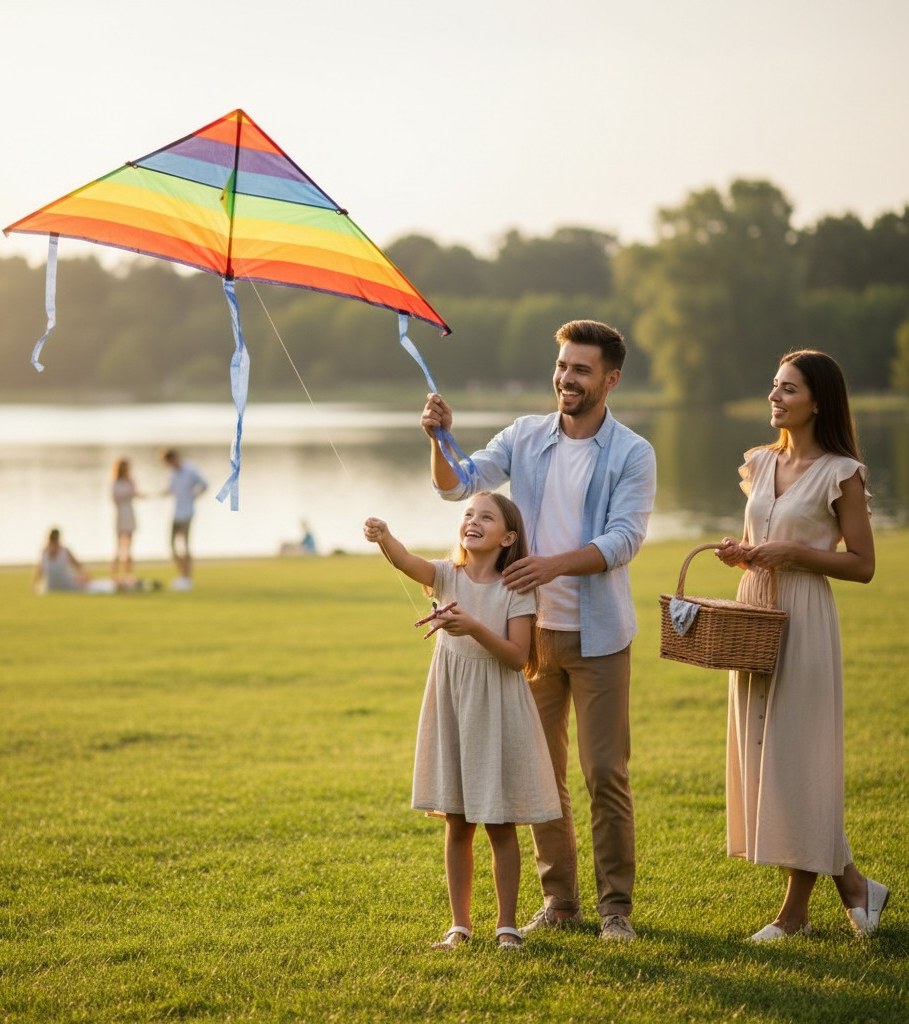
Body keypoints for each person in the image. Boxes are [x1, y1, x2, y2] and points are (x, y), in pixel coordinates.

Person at [420, 319, 656, 942]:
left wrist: (551, 563)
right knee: (540, 779)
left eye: (581, 369)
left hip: (599, 633)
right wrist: (440, 438)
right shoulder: (525, 435)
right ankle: (560, 903)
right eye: (562, 367)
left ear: (611, 379)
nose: (566, 379)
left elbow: (625, 538)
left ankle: (615, 910)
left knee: (605, 772)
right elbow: (460, 485)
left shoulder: (633, 452)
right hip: (528, 638)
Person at [714, 349, 888, 942]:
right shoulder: (760, 463)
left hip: (805, 617)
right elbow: (755, 537)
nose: (775, 397)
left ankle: (794, 917)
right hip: (755, 613)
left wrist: (793, 555)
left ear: (818, 400)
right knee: (769, 757)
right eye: (774, 386)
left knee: (797, 761)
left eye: (788, 389)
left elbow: (863, 565)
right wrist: (740, 553)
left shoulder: (841, 472)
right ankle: (858, 888)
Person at [364, 492, 560, 950]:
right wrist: (384, 536)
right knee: (457, 821)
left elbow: (517, 658)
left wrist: (471, 626)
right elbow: (405, 562)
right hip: (453, 704)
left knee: (499, 821)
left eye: (485, 517)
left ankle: (507, 925)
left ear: (507, 537)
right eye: (468, 514)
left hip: (496, 708)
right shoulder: (445, 576)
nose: (472, 521)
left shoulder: (516, 588)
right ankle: (460, 925)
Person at [161, 448, 208, 590]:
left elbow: (204, 485)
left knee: (185, 546)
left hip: (187, 513)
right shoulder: (171, 473)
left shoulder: (190, 469)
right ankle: (182, 575)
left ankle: (187, 578)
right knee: (172, 545)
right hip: (176, 513)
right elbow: (171, 489)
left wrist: (194, 496)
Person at [111, 457, 142, 586]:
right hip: (121, 515)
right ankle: (115, 576)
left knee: (129, 548)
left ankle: (128, 575)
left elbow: (136, 494)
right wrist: (128, 494)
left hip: (129, 514)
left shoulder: (130, 481)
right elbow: (114, 498)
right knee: (119, 547)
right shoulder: (115, 483)